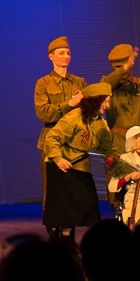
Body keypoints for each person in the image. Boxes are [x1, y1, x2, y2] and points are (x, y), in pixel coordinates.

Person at [43, 82, 116, 240]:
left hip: (81, 167)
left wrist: (118, 163)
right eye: (106, 101)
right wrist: (58, 158)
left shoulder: (101, 124)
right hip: (62, 167)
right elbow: (52, 137)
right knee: (67, 214)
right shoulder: (75, 116)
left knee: (91, 209)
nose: (108, 106)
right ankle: (66, 247)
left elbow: (107, 149)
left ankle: (93, 244)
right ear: (97, 100)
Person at [33, 36, 86, 212]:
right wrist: (69, 104)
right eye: (61, 53)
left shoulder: (79, 82)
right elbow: (43, 113)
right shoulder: (43, 83)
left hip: (75, 142)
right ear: (51, 56)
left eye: (68, 53)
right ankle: (53, 229)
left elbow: (86, 111)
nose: (66, 56)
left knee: (74, 189)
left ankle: (70, 231)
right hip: (51, 141)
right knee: (52, 188)